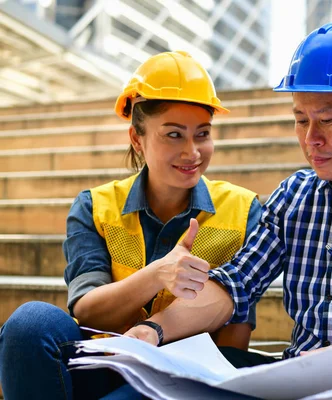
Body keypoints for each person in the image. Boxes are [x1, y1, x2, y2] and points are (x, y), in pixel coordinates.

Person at [118, 22, 332, 370]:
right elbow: (236, 284)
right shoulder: (295, 196)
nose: (311, 139)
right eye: (301, 120)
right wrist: (154, 330)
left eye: (328, 120)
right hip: (299, 377)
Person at [0, 50, 262, 399]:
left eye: (202, 134)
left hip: (190, 376)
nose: (192, 152)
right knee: (29, 324)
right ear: (137, 138)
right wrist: (156, 274)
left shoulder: (244, 210)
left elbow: (235, 339)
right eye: (173, 134)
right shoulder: (95, 206)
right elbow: (87, 308)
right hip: (105, 361)